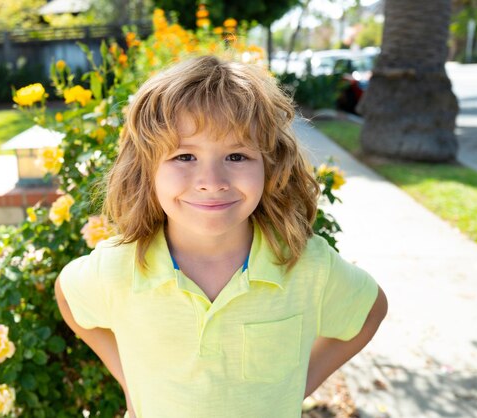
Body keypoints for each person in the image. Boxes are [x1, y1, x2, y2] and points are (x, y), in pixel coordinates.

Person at [54, 55, 388, 418]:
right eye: (184, 157)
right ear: (146, 169)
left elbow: (370, 310)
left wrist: (298, 384)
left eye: (236, 156)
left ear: (270, 165)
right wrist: (130, 383)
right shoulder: (118, 267)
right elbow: (69, 297)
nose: (211, 182)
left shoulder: (306, 265)